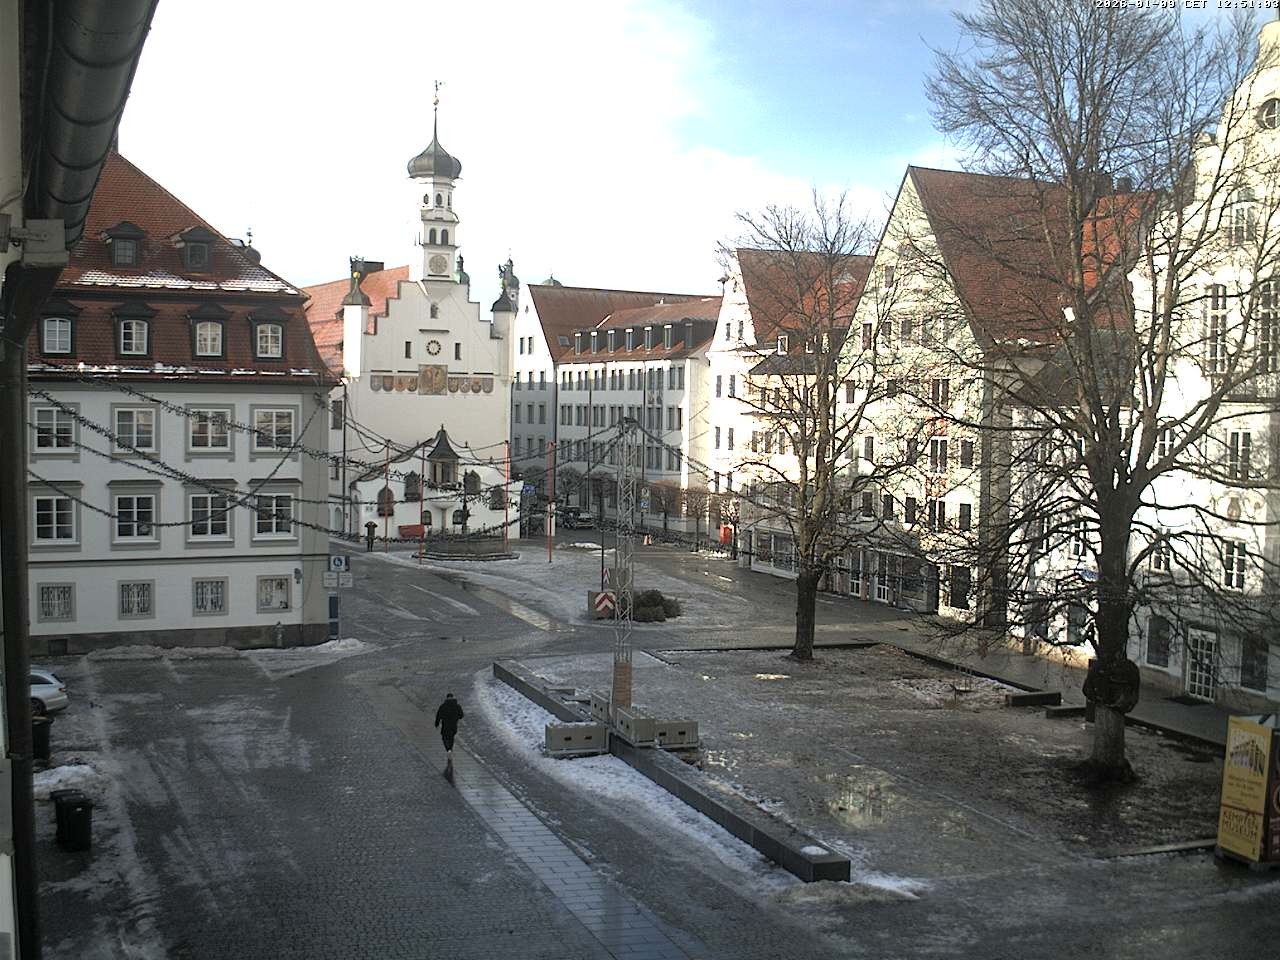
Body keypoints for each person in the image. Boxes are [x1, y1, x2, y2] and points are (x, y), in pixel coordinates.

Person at [434, 693, 464, 758]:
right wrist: (456, 717)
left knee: (444, 738)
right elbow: (461, 716)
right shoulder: (458, 706)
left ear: (446, 698)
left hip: (445, 725)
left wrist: (436, 724)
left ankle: (448, 750)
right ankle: (450, 750)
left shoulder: (443, 706)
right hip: (454, 725)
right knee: (451, 738)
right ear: (453, 697)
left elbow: (438, 716)